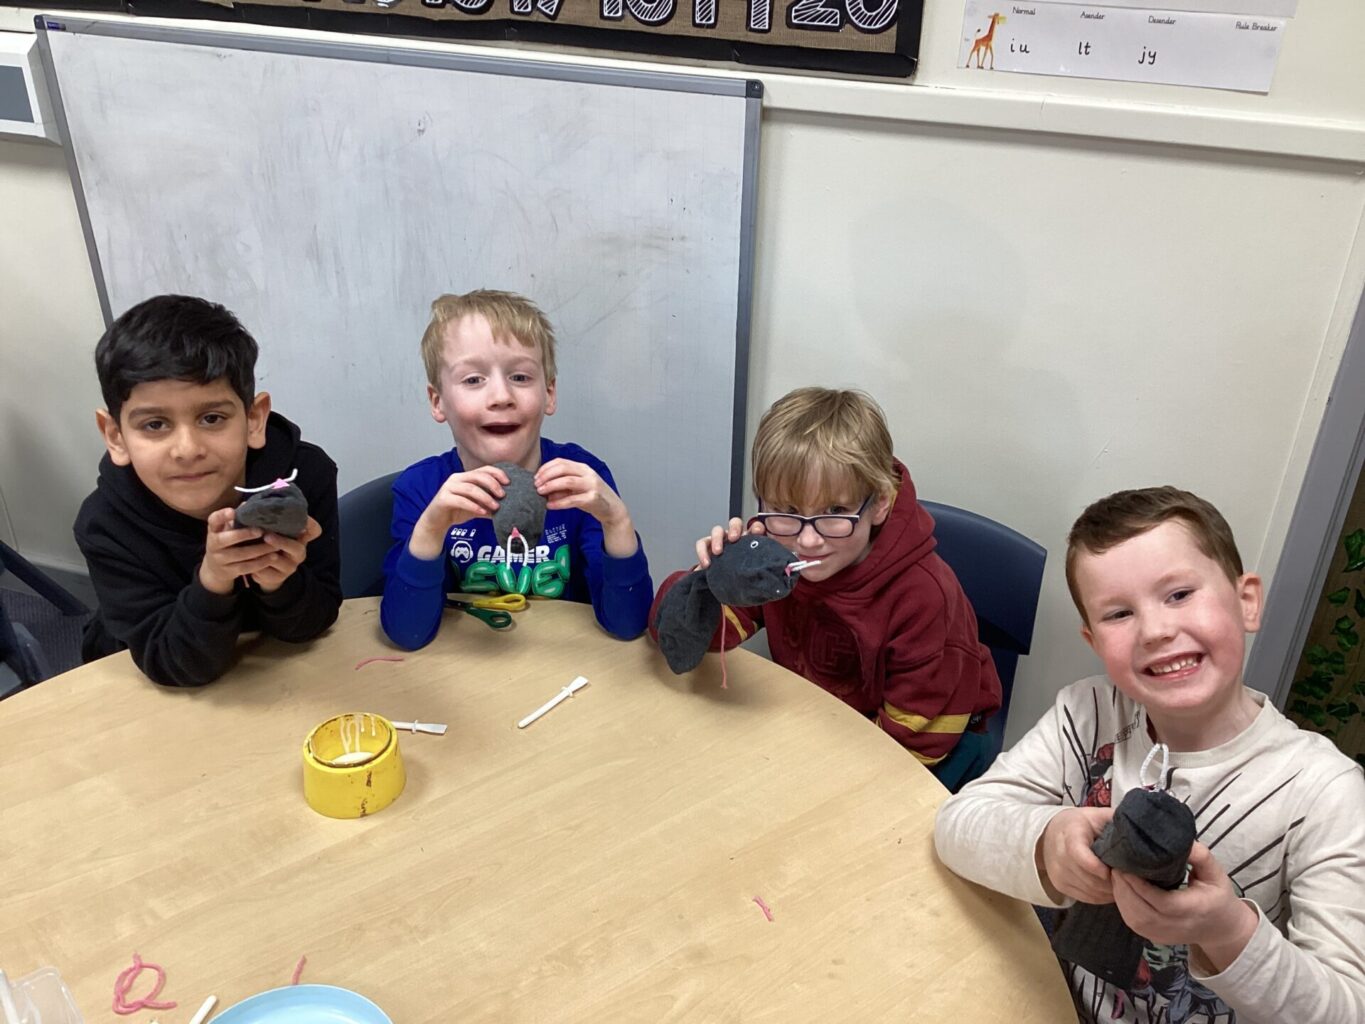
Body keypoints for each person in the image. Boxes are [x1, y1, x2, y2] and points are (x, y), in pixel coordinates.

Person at [934, 486, 1365, 1023]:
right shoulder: (1087, 711)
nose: (1157, 631)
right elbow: (957, 824)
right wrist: (1048, 843)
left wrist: (1227, 929)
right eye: (1119, 613)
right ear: (1094, 642)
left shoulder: (1326, 792)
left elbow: (1346, 1008)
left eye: (1180, 594)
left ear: (1247, 601)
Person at [650, 387, 1000, 785]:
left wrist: (816, 774)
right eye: (787, 510)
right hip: (828, 722)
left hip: (936, 744)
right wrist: (708, 581)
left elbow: (915, 747)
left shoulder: (924, 596)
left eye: (835, 511)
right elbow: (677, 639)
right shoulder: (775, 551)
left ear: (880, 502)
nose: (808, 540)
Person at [74, 294, 341, 686]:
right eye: (154, 425)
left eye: (212, 418)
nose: (187, 450)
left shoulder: (305, 476)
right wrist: (214, 580)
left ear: (254, 420)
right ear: (115, 436)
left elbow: (315, 623)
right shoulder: (105, 524)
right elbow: (171, 665)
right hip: (149, 679)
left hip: (275, 673)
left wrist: (278, 581)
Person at [380, 290, 651, 648]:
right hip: (464, 665)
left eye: (520, 377)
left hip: (563, 662)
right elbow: (407, 633)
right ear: (438, 401)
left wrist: (616, 521)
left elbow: (627, 624)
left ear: (549, 393)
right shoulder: (421, 489)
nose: (501, 397)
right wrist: (431, 530)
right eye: (473, 379)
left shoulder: (581, 480)